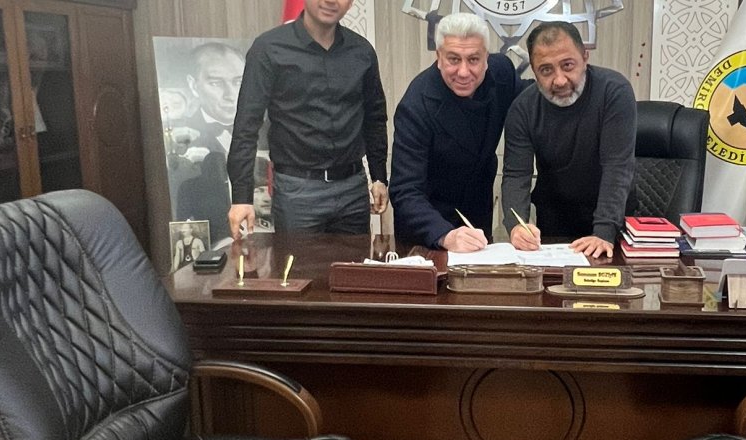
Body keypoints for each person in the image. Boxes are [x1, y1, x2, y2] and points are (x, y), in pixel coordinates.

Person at [227, 0, 388, 240]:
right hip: (297, 192)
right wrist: (241, 197)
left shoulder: (362, 51)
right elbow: (246, 125)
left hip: (352, 188)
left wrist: (379, 177)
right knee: (298, 264)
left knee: (353, 264)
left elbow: (374, 117)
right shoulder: (269, 48)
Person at [389, 12, 528, 252]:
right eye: (453, 59)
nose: (463, 72)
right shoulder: (416, 105)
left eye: (473, 59)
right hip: (428, 228)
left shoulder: (502, 72)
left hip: (477, 217)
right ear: (438, 58)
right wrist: (445, 235)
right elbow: (405, 191)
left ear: (486, 58)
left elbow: (530, 103)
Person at [501, 21, 637, 259]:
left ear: (585, 58)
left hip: (614, 225)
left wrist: (604, 231)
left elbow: (617, 166)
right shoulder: (523, 109)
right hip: (555, 225)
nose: (560, 80)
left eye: (567, 65)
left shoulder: (614, 92)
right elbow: (516, 175)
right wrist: (517, 225)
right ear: (534, 71)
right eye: (546, 70)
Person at [168, 42, 245, 233]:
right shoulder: (177, 141)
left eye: (238, 82)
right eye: (216, 83)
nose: (230, 95)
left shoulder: (272, 131)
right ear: (193, 85)